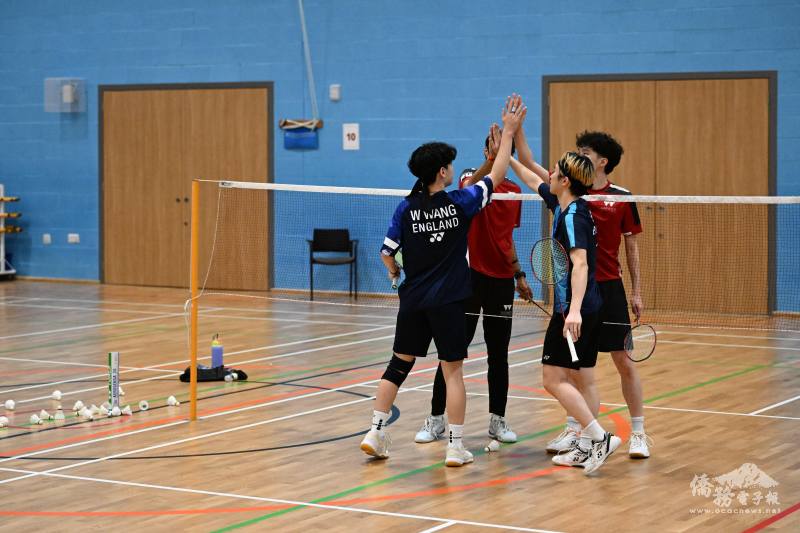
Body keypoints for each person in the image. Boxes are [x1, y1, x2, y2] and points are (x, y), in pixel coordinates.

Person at [360, 95, 526, 467]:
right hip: (449, 302)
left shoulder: (406, 208)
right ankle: (455, 446)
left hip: (413, 302)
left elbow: (387, 252)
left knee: (397, 366)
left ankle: (374, 432)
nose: (452, 169)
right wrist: (509, 134)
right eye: (449, 165)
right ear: (441, 172)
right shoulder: (459, 204)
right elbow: (497, 176)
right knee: (453, 372)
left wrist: (395, 272)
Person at [511, 128, 650, 460]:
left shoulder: (619, 197)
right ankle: (580, 433)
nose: (578, 155)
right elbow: (530, 167)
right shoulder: (568, 194)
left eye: (585, 152)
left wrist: (636, 290)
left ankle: (637, 433)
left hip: (605, 289)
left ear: (602, 161)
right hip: (578, 291)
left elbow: (630, 247)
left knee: (622, 362)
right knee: (578, 369)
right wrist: (512, 140)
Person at [414, 124, 532, 446]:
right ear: (486, 152)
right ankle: (436, 419)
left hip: (501, 282)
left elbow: (506, 238)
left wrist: (519, 274)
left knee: (499, 354)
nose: (497, 155)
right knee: (452, 353)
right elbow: (470, 182)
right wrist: (491, 160)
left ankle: (498, 420)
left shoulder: (514, 192)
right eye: (493, 149)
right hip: (467, 281)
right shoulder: (471, 180)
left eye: (502, 151)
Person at [526, 150, 621, 474]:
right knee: (583, 378)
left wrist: (573, 312)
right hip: (589, 305)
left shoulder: (572, 217)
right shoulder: (570, 206)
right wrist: (507, 151)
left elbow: (580, 264)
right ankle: (584, 446)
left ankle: (599, 437)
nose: (549, 175)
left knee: (552, 378)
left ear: (565, 181)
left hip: (574, 309)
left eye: (553, 172)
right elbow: (531, 176)